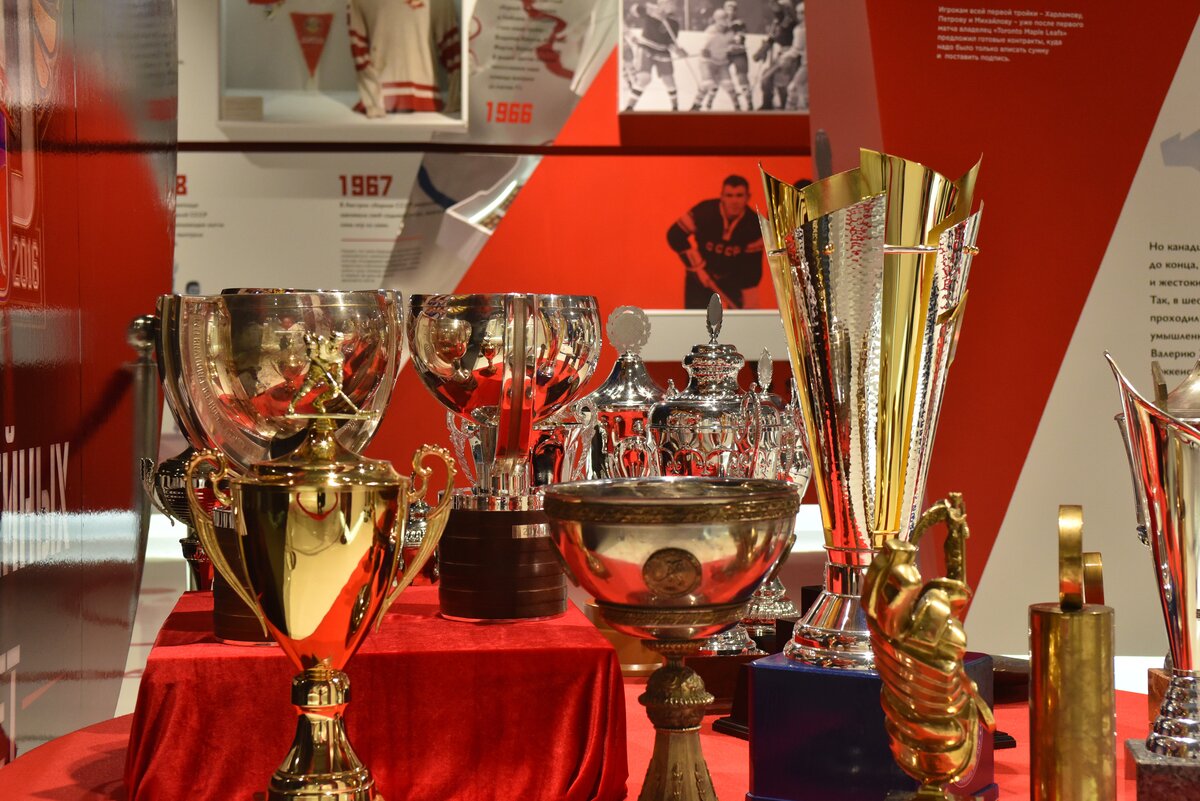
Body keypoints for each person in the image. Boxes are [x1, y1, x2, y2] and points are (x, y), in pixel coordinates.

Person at [666, 175, 764, 309]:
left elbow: (751, 270)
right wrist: (697, 266)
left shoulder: (755, 226)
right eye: (729, 195)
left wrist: (749, 303)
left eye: (739, 195)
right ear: (721, 197)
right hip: (699, 278)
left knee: (738, 320)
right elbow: (675, 235)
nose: (734, 201)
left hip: (733, 281)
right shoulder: (704, 212)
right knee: (695, 319)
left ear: (748, 197)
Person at [625, 0, 684, 111]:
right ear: (661, 4)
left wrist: (678, 51)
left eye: (674, 4)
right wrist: (649, 10)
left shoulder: (674, 23)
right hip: (646, 48)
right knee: (644, 78)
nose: (673, 6)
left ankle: (675, 108)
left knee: (669, 81)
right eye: (670, 3)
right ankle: (629, 108)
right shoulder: (650, 12)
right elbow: (633, 9)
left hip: (662, 51)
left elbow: (670, 42)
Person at [690, 9, 740, 111]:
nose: (726, 20)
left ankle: (737, 107)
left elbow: (733, 44)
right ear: (716, 19)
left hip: (722, 62)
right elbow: (703, 49)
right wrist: (705, 51)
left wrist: (734, 47)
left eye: (726, 17)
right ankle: (695, 106)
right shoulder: (710, 31)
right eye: (723, 18)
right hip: (708, 62)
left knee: (728, 84)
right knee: (707, 83)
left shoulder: (730, 32)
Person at [723, 1, 752, 110]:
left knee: (742, 78)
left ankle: (749, 103)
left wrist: (733, 44)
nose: (731, 11)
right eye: (728, 8)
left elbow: (740, 38)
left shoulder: (739, 23)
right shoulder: (721, 23)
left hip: (739, 53)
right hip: (726, 54)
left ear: (736, 11)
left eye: (733, 9)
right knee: (723, 78)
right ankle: (736, 103)